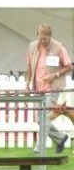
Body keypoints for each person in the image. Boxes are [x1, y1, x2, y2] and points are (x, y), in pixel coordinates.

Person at [25, 23, 71, 153]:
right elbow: (29, 67)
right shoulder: (32, 46)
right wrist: (27, 84)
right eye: (40, 38)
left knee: (44, 118)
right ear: (37, 35)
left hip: (53, 88)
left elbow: (69, 66)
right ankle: (60, 138)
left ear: (50, 36)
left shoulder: (58, 48)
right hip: (38, 88)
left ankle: (39, 148)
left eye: (45, 38)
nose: (42, 41)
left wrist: (55, 75)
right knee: (40, 119)